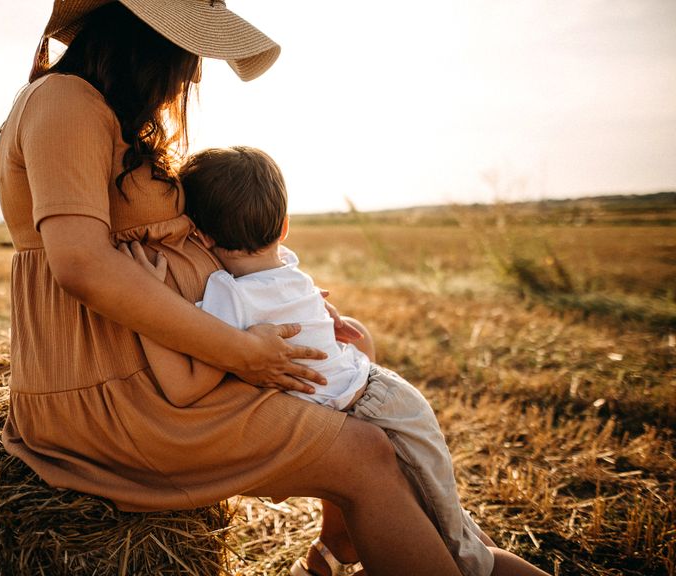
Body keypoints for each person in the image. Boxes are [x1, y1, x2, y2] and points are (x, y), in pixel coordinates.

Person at [0, 1, 497, 574]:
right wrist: (244, 351)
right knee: (367, 453)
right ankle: (398, 530)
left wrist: (283, 299)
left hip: (170, 363)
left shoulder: (105, 114)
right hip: (119, 386)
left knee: (357, 364)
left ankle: (388, 536)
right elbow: (82, 265)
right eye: (192, 52)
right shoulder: (66, 102)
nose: (194, 73)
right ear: (152, 40)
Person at [120, 146, 551, 576]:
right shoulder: (288, 265)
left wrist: (145, 301)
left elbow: (185, 385)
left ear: (202, 237)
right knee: (453, 535)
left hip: (378, 413)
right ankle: (342, 543)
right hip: (387, 399)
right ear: (284, 227)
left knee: (468, 559)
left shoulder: (227, 296)